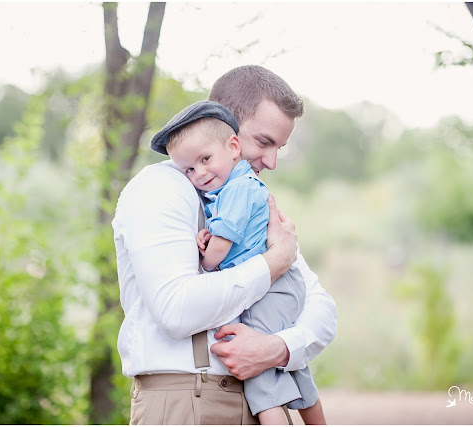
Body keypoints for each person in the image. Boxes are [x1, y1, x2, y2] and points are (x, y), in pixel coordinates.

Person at [113, 65, 337, 425]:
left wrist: (277, 349)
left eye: (279, 147)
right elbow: (175, 310)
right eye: (264, 142)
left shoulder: (248, 198)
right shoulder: (159, 189)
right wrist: (270, 264)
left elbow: (321, 306)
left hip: (255, 398)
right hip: (187, 400)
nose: (272, 162)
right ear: (227, 129)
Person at [154, 100, 326, 424]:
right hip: (277, 286)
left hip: (271, 290)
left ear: (232, 145)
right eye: (189, 169)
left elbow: (216, 254)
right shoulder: (230, 185)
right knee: (294, 369)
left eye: (205, 160)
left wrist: (203, 254)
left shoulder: (236, 189)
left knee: (258, 369)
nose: (199, 173)